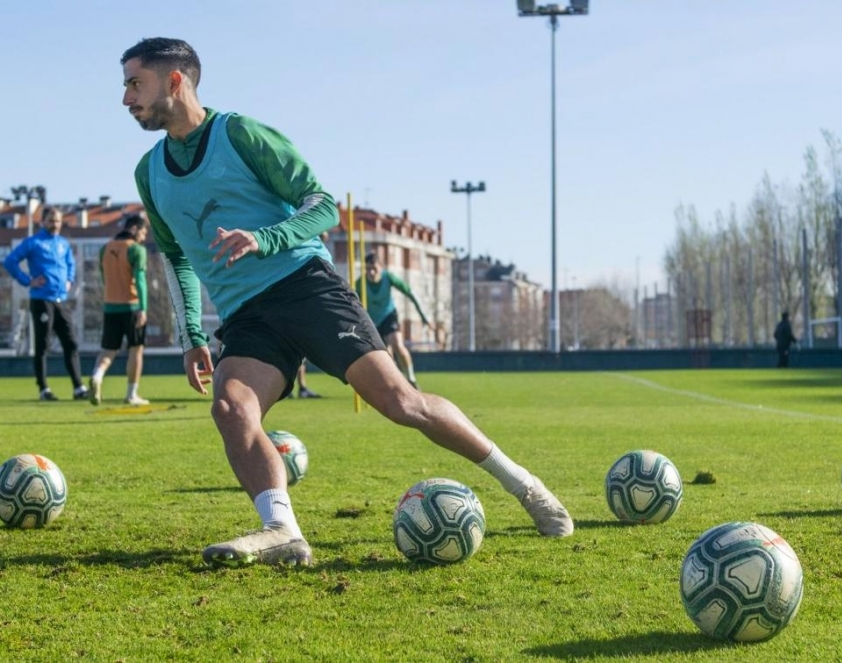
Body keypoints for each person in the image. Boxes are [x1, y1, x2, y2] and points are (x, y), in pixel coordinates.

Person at [120, 37, 573, 568]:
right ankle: (282, 532)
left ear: (176, 81)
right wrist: (193, 334)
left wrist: (266, 238)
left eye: (135, 84)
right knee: (231, 408)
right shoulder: (148, 172)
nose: (127, 99)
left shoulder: (239, 134)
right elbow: (176, 258)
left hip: (305, 287)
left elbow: (322, 205)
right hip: (247, 316)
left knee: (402, 403)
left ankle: (524, 485)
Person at [3, 206, 89, 401]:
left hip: (61, 300)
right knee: (42, 345)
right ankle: (44, 389)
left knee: (71, 343)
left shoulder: (63, 244)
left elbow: (70, 264)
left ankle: (78, 387)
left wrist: (69, 279)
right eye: (51, 221)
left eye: (57, 221)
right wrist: (27, 280)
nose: (55, 224)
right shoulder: (33, 243)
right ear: (42, 222)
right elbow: (10, 261)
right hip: (41, 300)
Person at [89, 214, 151, 406]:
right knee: (136, 350)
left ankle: (97, 376)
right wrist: (143, 308)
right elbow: (140, 281)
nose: (144, 237)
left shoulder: (104, 249)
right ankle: (132, 394)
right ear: (134, 229)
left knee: (108, 350)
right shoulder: (136, 250)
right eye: (143, 232)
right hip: (132, 307)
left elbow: (103, 279)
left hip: (110, 307)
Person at [358, 252, 430, 390]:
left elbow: (410, 293)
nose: (371, 273)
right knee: (385, 354)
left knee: (397, 343)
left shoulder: (388, 278)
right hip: (373, 320)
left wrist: (423, 317)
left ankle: (411, 378)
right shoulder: (360, 283)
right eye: (368, 269)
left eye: (374, 269)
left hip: (389, 315)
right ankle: (396, 380)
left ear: (381, 267)